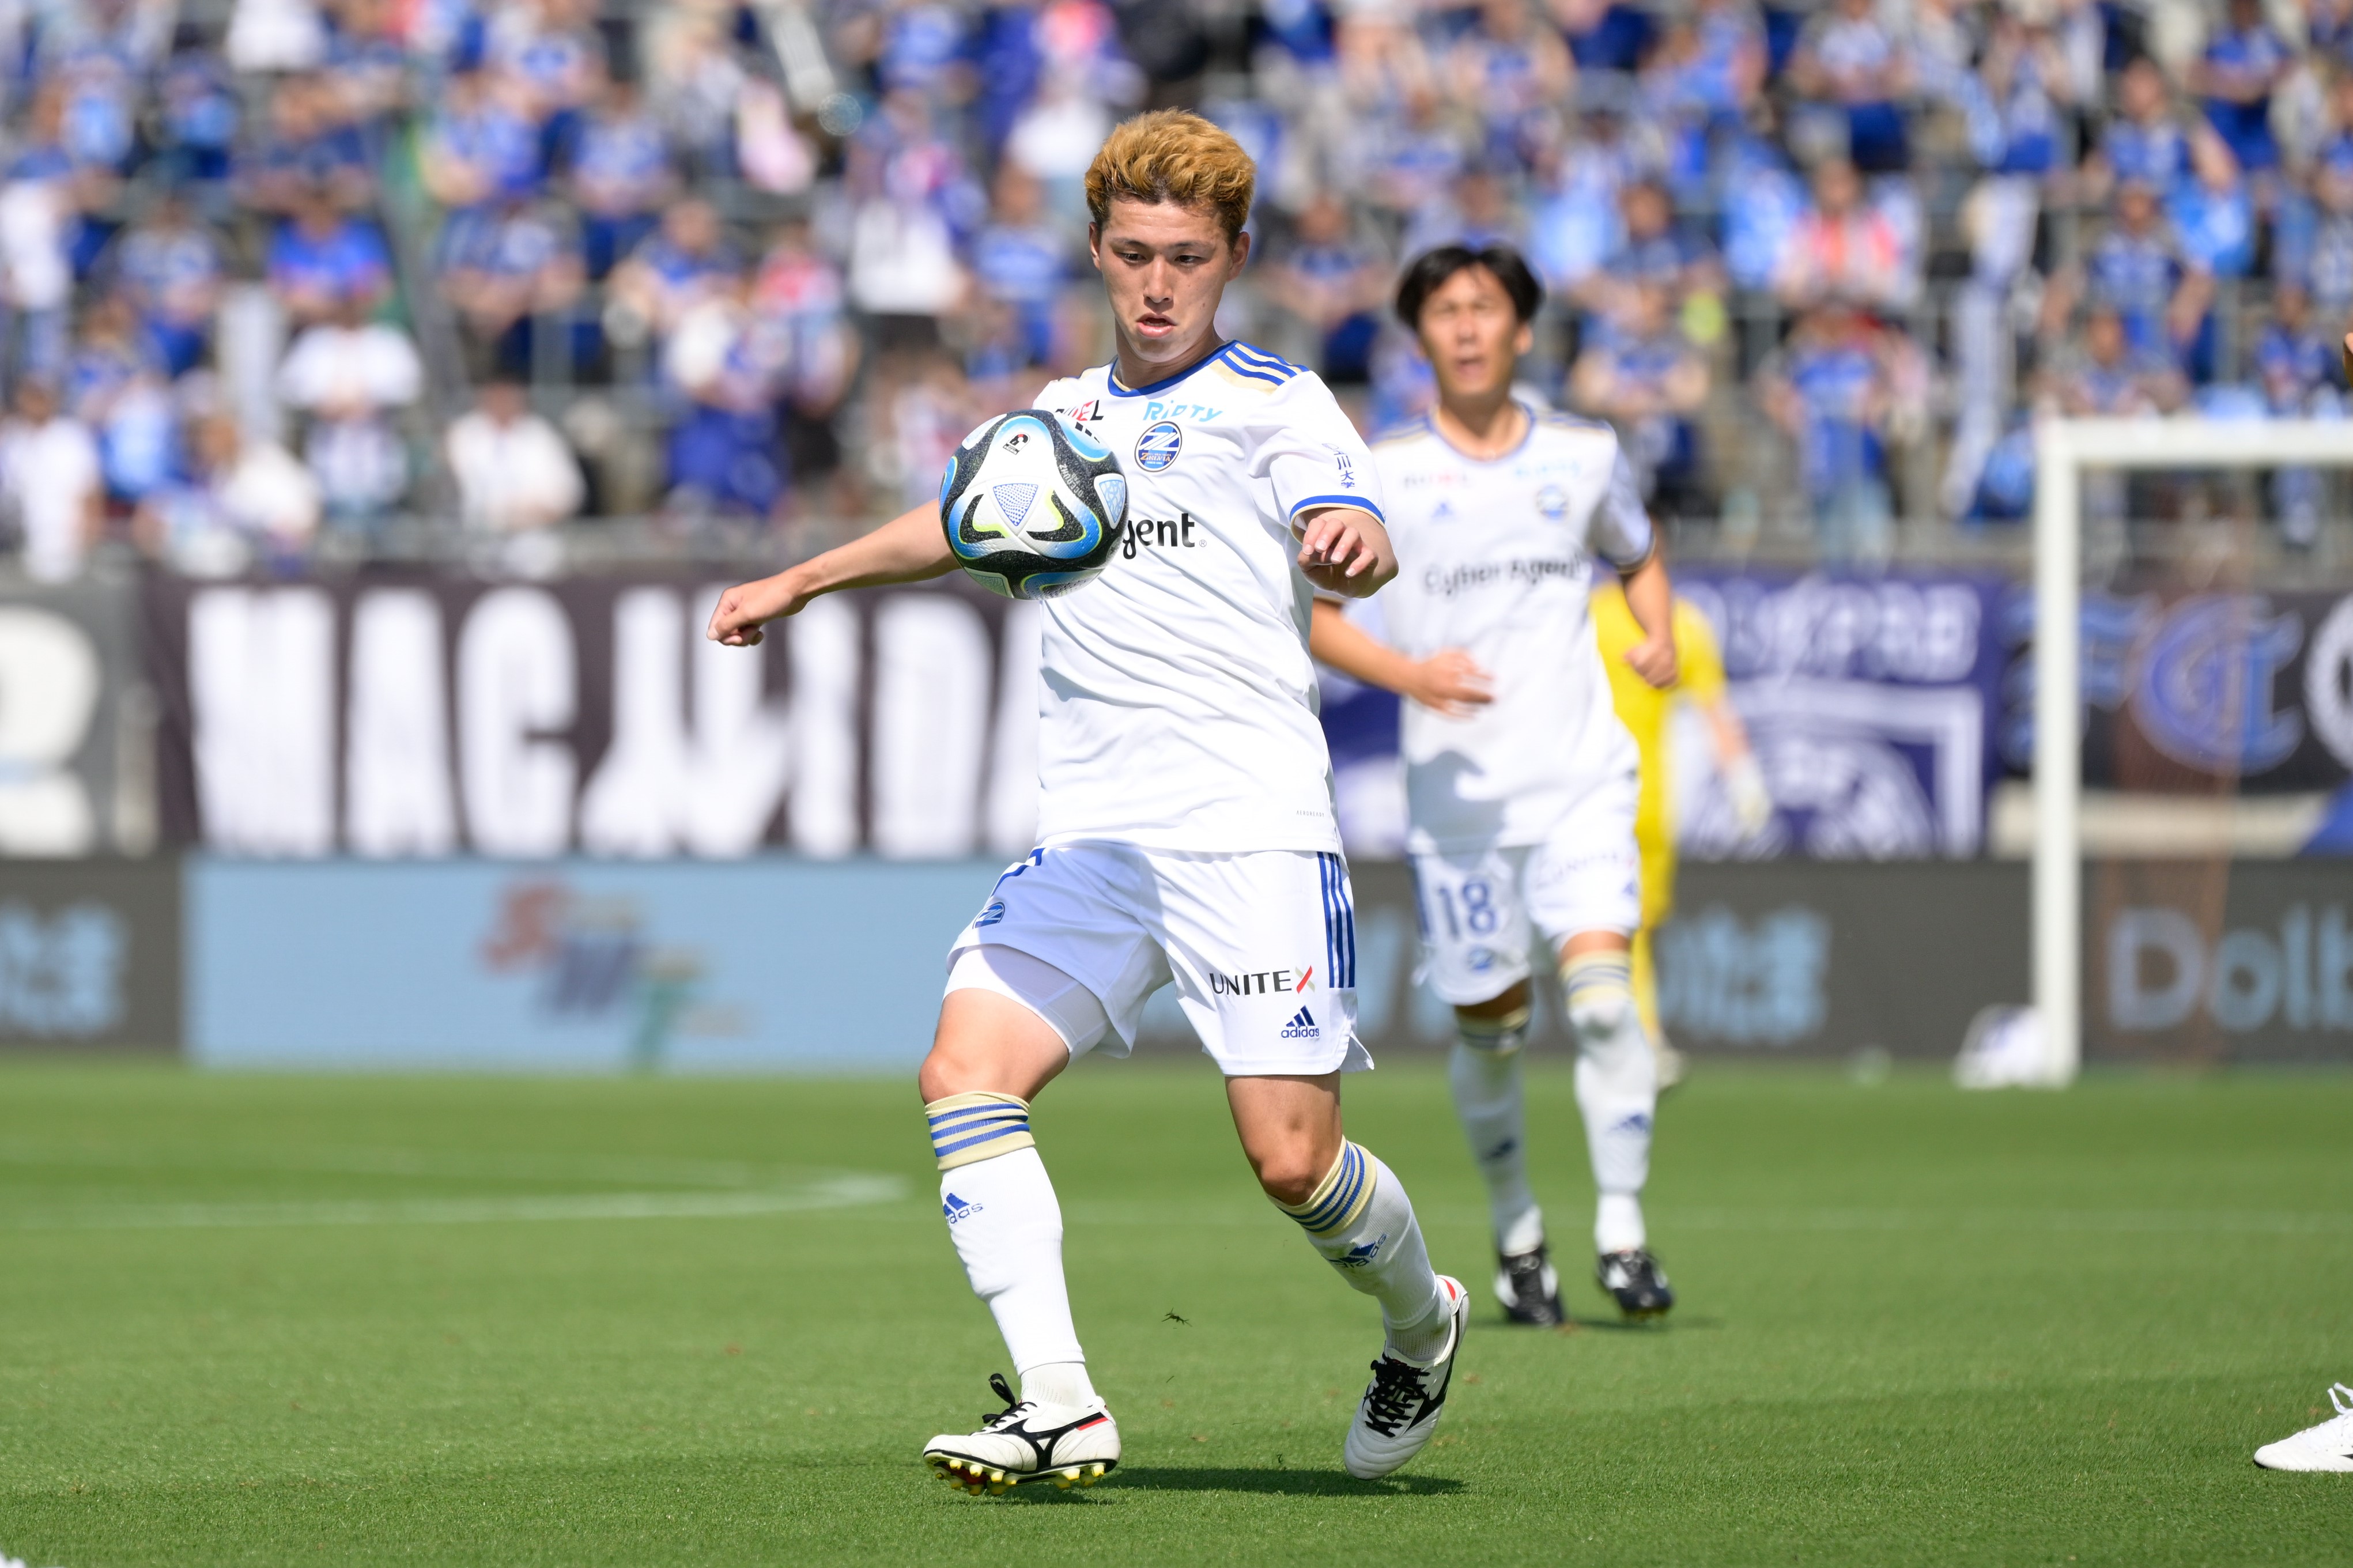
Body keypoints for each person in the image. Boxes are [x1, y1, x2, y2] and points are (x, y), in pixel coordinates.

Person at [704, 109, 1467, 1489]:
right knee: (963, 1073)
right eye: (1133, 254)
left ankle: (1422, 1319)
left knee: (1294, 1164)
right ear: (1098, 251)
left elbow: (1346, 520)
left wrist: (1348, 537)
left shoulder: (1279, 402)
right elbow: (956, 522)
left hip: (1248, 830)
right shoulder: (1058, 418)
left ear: (1235, 256)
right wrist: (801, 578)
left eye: (1187, 257)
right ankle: (1059, 1399)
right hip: (1096, 841)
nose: (1158, 284)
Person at [1305, 242, 1679, 1328]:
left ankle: (1621, 1232)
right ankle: (1518, 1237)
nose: (1465, 327)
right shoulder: (1383, 471)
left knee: (1603, 1003)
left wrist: (1655, 632)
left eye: (1483, 308)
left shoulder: (1583, 454)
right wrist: (1410, 673)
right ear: (1420, 336)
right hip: (1459, 800)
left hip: (1578, 779)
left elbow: (1637, 553)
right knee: (1492, 1030)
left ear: (1520, 330)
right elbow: (1317, 615)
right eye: (1444, 311)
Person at [1589, 580, 1769, 1089]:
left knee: (1631, 924)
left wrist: (1743, 779)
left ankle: (1627, 1035)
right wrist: (1744, 780)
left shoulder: (1616, 617)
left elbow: (1713, 707)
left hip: (1635, 800)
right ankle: (1639, 1038)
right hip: (1613, 799)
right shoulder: (1672, 620)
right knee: (1622, 925)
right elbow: (1717, 711)